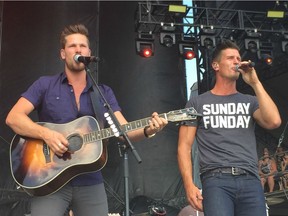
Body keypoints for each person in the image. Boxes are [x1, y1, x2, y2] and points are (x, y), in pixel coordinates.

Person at [5, 24, 168, 216]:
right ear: (62, 54)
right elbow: (13, 118)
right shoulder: (45, 85)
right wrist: (47, 134)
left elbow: (123, 131)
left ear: (89, 53)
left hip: (90, 182)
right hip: (49, 180)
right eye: (72, 46)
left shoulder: (102, 93)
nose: (78, 49)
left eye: (82, 46)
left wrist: (150, 130)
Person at [177, 40, 281, 216]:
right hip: (216, 180)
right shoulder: (196, 102)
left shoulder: (249, 101)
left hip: (250, 179)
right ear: (216, 65)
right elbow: (184, 147)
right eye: (231, 58)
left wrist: (255, 83)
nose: (237, 62)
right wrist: (189, 184)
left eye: (238, 58)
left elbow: (274, 122)